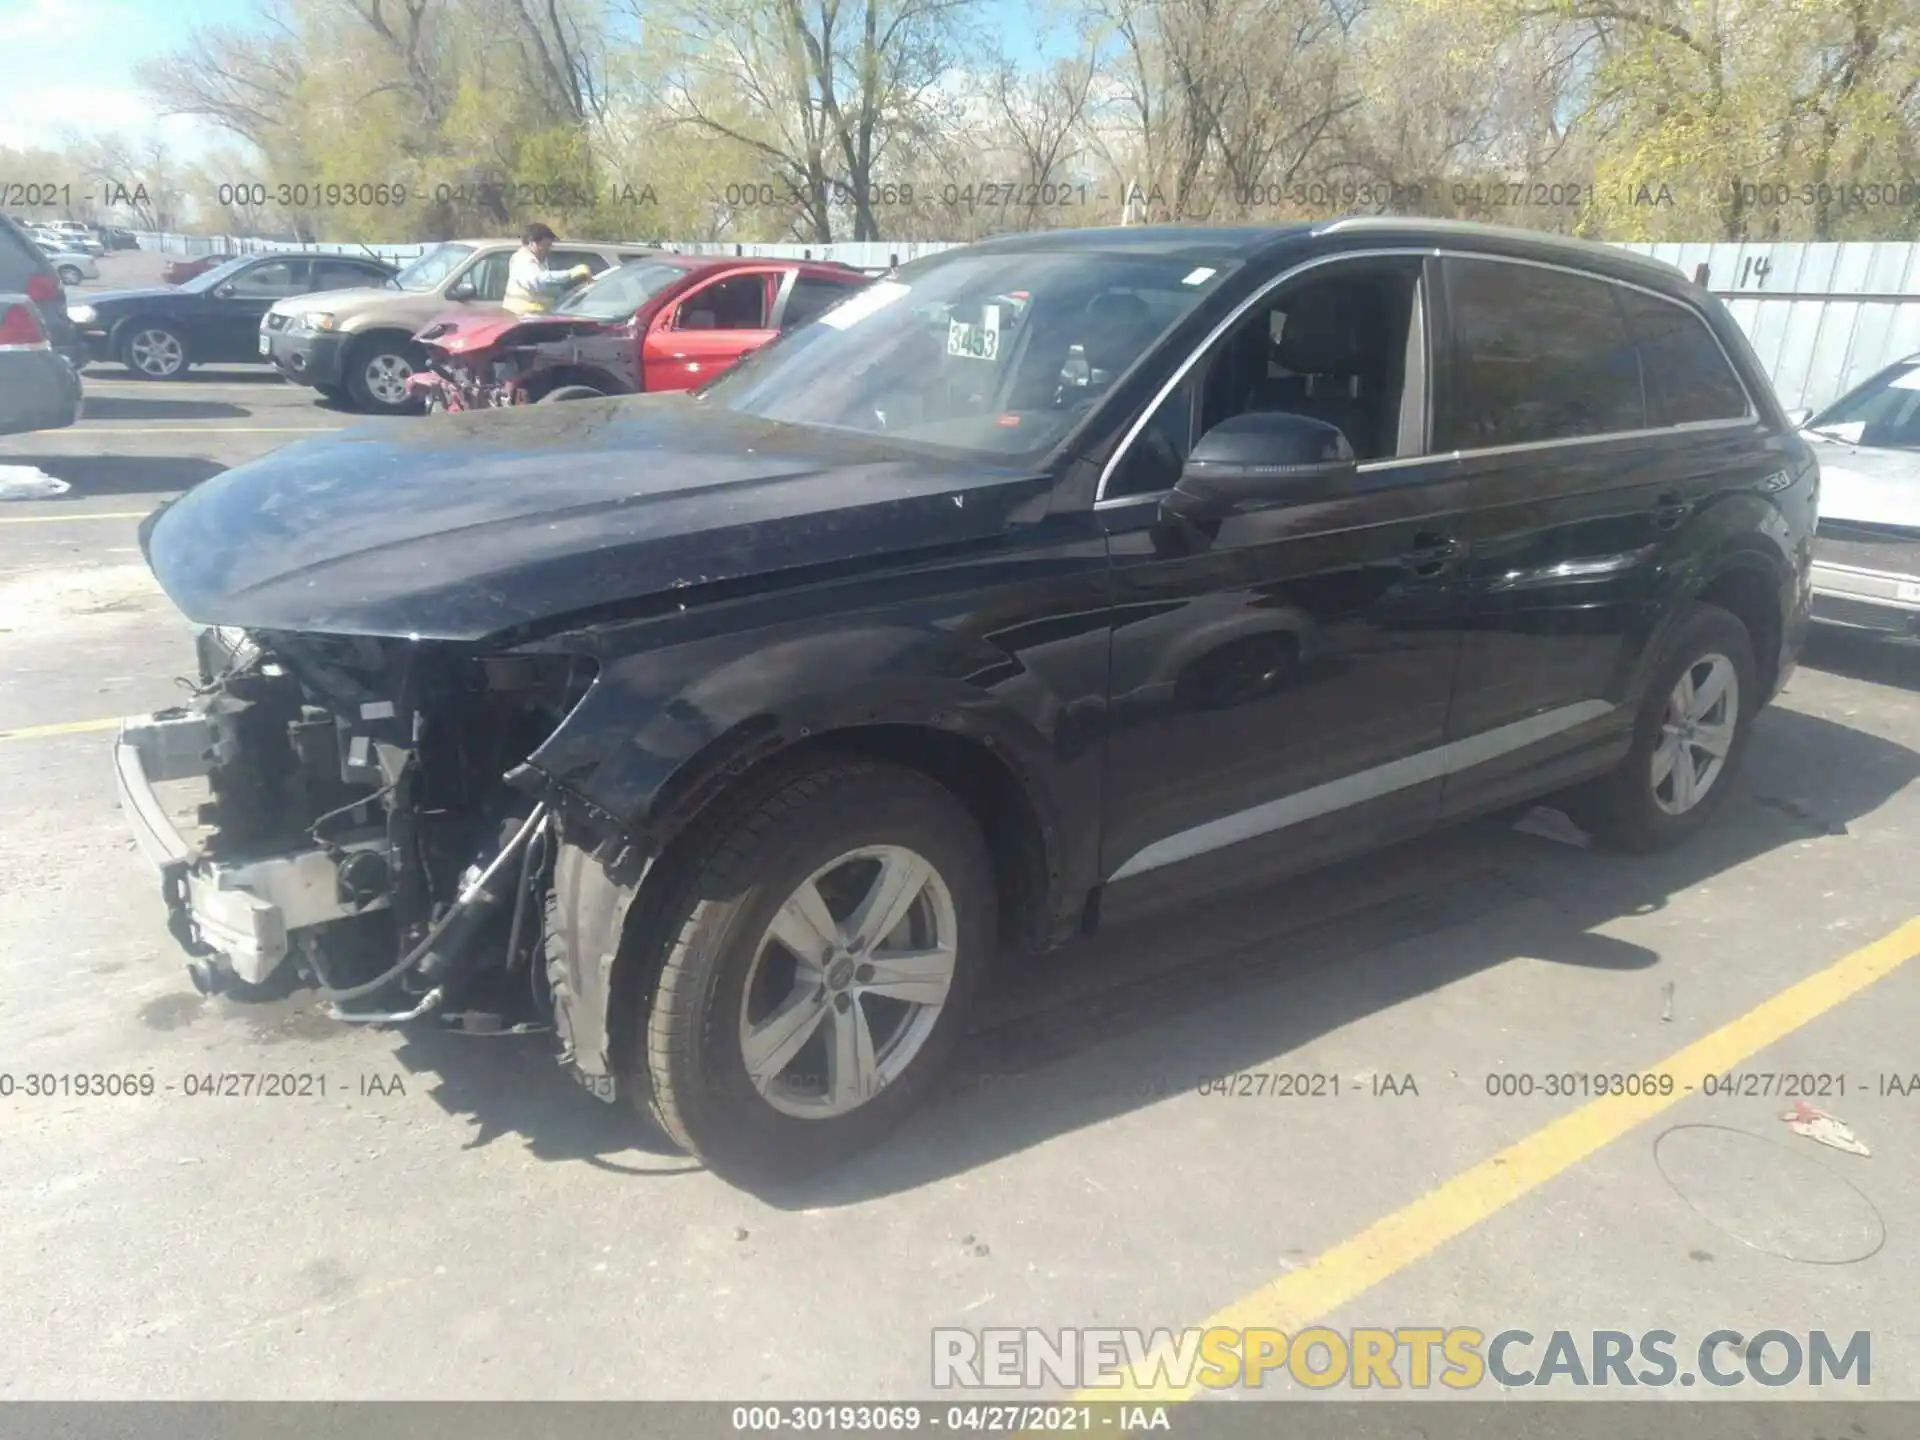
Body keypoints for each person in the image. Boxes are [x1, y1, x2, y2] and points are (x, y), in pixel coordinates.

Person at [503, 223, 591, 315]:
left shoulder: (540, 261)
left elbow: (548, 289)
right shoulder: (522, 260)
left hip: (535, 317)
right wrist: (570, 274)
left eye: (550, 246)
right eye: (545, 246)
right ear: (532, 243)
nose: (548, 249)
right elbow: (537, 281)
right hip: (521, 318)